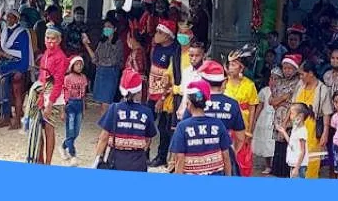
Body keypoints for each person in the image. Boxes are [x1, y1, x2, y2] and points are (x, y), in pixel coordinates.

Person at [95, 68, 158, 172]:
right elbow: (148, 139)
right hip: (138, 162)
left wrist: (97, 159)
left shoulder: (114, 108)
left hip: (116, 160)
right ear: (139, 90)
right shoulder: (146, 112)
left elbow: (103, 138)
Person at [171, 79, 234, 176]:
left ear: (189, 103)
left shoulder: (182, 127)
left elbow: (180, 158)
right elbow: (226, 156)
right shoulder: (218, 124)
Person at [146, 22, 182, 168]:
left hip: (165, 97)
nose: (156, 35)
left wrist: (162, 98)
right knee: (148, 124)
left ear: (167, 35)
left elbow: (171, 77)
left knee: (165, 128)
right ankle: (144, 153)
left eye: (159, 32)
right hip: (152, 93)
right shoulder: (157, 48)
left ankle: (163, 157)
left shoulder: (174, 51)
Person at [31, 25, 69, 164]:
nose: (50, 41)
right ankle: (40, 158)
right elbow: (42, 75)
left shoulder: (60, 57)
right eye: (47, 38)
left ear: (59, 40)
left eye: (53, 39)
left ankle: (48, 162)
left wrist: (50, 103)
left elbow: (58, 82)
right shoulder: (45, 54)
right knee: (37, 127)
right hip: (43, 91)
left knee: (49, 128)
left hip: (53, 94)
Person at [224, 48, 260, 177]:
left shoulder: (249, 85)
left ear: (241, 68)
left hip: (243, 125)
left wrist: (250, 130)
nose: (230, 67)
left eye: (234, 65)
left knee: (242, 158)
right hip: (226, 124)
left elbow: (252, 108)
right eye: (230, 64)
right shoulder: (223, 83)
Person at [0, 8, 33, 130]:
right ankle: (5, 118)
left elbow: (25, 53)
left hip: (17, 66)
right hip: (5, 67)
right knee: (3, 93)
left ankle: (17, 120)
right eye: (8, 17)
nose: (9, 19)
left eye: (12, 17)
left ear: (16, 19)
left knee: (17, 93)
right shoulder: (5, 31)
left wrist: (21, 70)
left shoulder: (22, 33)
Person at [268, 54, 302, 176]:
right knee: (278, 146)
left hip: (289, 121)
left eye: (290, 68)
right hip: (278, 118)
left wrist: (280, 101)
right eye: (285, 68)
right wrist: (283, 98)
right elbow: (271, 101)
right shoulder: (280, 82)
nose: (287, 71)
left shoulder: (298, 83)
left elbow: (293, 103)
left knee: (288, 146)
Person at [88, 16, 124, 105]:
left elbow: (113, 61)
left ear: (115, 29)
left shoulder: (118, 43)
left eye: (109, 27)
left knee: (107, 103)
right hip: (100, 74)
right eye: (105, 27)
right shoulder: (102, 42)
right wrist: (86, 45)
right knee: (100, 103)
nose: (106, 29)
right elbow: (95, 58)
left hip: (111, 75)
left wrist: (99, 62)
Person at [62, 55, 89, 161]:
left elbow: (84, 94)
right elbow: (65, 94)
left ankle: (64, 146)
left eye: (81, 65)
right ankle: (73, 154)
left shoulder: (83, 78)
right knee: (71, 130)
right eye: (77, 64)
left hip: (79, 104)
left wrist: (83, 108)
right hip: (70, 105)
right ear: (72, 65)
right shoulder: (67, 78)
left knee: (76, 131)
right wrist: (63, 110)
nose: (79, 67)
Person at [253, 69, 280, 173]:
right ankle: (268, 165)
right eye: (271, 78)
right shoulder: (265, 90)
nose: (273, 81)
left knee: (274, 143)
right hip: (265, 119)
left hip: (276, 118)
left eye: (276, 79)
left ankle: (276, 165)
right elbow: (260, 106)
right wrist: (255, 119)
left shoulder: (282, 91)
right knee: (265, 142)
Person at [287, 102, 314, 177]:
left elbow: (303, 151)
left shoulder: (301, 131)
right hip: (295, 163)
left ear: (300, 116)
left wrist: (296, 168)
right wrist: (283, 132)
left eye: (292, 113)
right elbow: (291, 144)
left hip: (299, 165)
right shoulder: (295, 128)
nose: (290, 116)